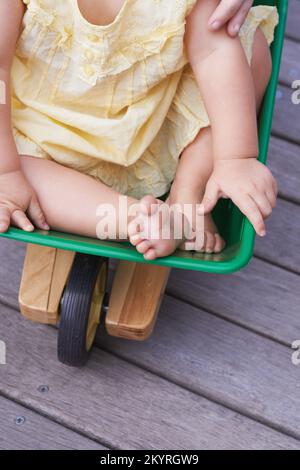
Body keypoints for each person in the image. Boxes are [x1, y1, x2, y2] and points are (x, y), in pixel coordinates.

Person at [0, 0, 278, 260]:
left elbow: (213, 52)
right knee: (15, 176)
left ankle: (188, 191)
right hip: (42, 131)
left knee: (248, 49)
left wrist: (236, 156)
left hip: (152, 122)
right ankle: (134, 219)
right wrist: (5, 170)